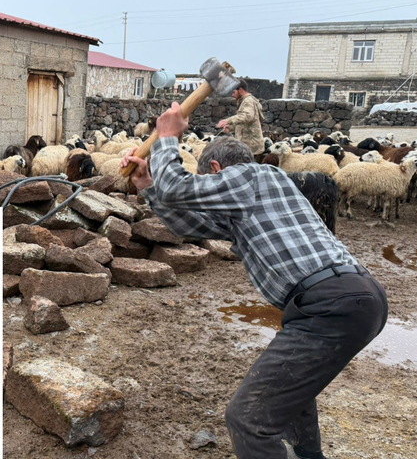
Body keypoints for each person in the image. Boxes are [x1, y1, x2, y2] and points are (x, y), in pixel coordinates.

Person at [121, 102, 388, 459]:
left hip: (330, 304)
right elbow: (188, 224)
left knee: (248, 419)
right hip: (344, 299)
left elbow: (177, 189)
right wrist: (148, 185)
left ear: (216, 170)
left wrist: (167, 137)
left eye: (209, 180)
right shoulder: (251, 202)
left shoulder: (248, 176)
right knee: (292, 401)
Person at [215, 80, 266, 161]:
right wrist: (230, 128)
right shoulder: (245, 101)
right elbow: (244, 122)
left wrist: (228, 120)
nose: (232, 95)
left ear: (241, 90)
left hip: (251, 147)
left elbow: (247, 116)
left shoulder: (248, 101)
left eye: (234, 92)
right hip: (249, 145)